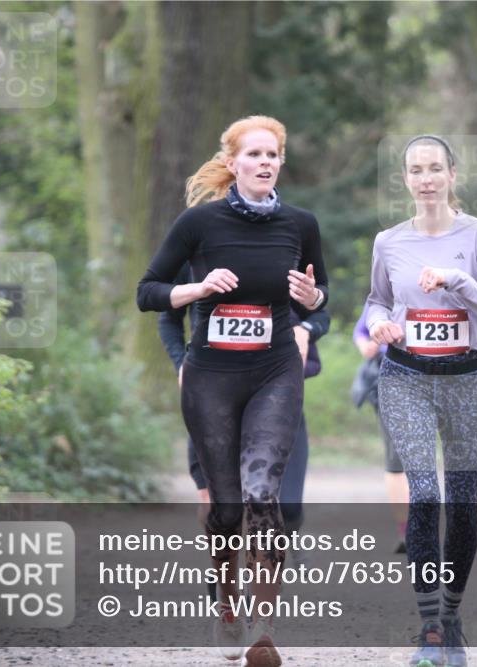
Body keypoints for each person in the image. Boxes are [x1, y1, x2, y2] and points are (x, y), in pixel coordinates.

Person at [137, 116, 327, 666]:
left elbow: (324, 297)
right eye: (255, 155)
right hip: (211, 375)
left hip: (275, 371)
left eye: (273, 155)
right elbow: (147, 291)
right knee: (224, 508)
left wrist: (311, 298)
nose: (265, 163)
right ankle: (226, 601)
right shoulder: (199, 224)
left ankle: (263, 629)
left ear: (280, 162)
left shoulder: (300, 223)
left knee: (263, 492)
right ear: (234, 162)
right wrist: (196, 288)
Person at [366, 135, 477, 667]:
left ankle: (452, 617)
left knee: (462, 505)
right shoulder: (389, 241)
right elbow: (377, 300)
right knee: (424, 495)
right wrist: (380, 324)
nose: (425, 178)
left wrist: (459, 282)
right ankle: (429, 628)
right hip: (405, 377)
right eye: (415, 170)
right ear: (405, 179)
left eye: (435, 168)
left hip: (469, 381)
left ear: (453, 174)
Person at [158, 264, 331, 556]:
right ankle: (222, 589)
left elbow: (319, 310)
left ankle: (266, 572)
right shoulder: (193, 249)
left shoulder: (279, 245)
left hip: (274, 394)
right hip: (211, 398)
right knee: (219, 507)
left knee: (286, 509)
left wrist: (305, 330)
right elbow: (168, 317)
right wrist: (181, 363)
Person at [352, 305, 409, 554]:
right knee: (396, 460)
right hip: (389, 379)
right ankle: (407, 531)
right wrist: (366, 345)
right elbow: (361, 331)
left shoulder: (446, 280)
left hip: (436, 376)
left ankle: (428, 526)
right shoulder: (386, 286)